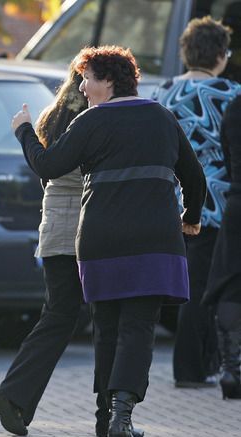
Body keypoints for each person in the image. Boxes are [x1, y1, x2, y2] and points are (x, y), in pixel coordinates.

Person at [8, 46, 206, 437]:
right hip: (154, 238)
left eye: (88, 78)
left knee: (108, 329)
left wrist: (24, 131)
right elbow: (194, 178)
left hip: (100, 240)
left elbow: (48, 165)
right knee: (138, 326)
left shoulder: (91, 122)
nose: (81, 86)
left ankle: (108, 421)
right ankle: (120, 416)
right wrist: (191, 220)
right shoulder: (162, 117)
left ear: (110, 81)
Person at [153, 16, 241, 388]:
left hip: (172, 202)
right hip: (214, 203)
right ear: (221, 54)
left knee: (183, 284)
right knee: (206, 288)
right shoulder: (231, 94)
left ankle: (194, 366)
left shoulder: (163, 92)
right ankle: (191, 370)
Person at [203, 94, 241, 400]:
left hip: (237, 203)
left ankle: (232, 368)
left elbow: (228, 156)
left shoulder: (236, 105)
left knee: (231, 284)